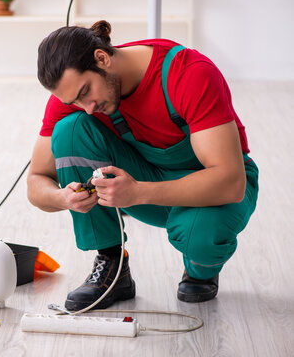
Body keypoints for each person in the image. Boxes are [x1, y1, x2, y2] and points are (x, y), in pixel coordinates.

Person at [27, 20, 259, 310]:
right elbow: (36, 181)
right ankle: (113, 267)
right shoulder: (76, 95)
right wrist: (62, 197)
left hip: (213, 189)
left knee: (199, 235)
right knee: (71, 130)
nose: (86, 107)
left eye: (86, 92)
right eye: (74, 101)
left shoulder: (188, 74)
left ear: (102, 58)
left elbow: (230, 182)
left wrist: (138, 193)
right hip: (143, 180)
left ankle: (201, 271)